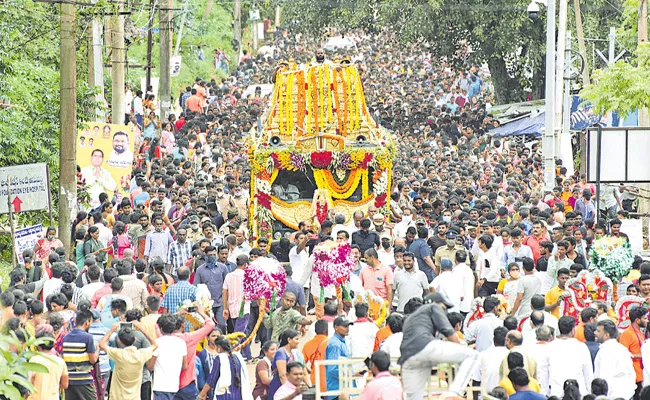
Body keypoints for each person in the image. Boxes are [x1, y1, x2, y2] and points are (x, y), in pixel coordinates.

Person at [399, 293, 479, 400]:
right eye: (444, 308)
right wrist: (462, 348)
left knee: (413, 398)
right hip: (424, 347)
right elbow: (449, 333)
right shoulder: (433, 307)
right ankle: (453, 393)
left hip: (407, 359)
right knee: (472, 355)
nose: (445, 311)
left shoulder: (411, 318)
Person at [99, 321, 158, 400]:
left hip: (117, 397)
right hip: (134, 397)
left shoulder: (118, 354)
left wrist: (111, 330)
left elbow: (102, 344)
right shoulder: (141, 355)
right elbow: (155, 344)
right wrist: (141, 329)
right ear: (134, 340)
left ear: (119, 341)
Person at [538, 316, 593, 397]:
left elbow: (543, 373)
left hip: (556, 393)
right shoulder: (581, 347)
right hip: (578, 393)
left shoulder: (549, 347)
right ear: (573, 330)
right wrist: (589, 393)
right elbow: (588, 373)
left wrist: (544, 393)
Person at [594, 319, 636, 399]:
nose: (595, 333)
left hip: (612, 396)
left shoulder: (606, 351)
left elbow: (605, 378)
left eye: (598, 331)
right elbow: (631, 374)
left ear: (606, 335)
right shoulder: (622, 348)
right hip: (626, 395)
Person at [148, 314, 188, 399]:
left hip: (160, 386)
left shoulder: (157, 343)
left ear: (161, 329)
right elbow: (185, 366)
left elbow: (150, 366)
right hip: (175, 386)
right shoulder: (181, 343)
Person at [62, 310, 99, 400]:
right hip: (84, 379)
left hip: (69, 379)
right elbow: (93, 360)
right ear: (87, 322)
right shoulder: (88, 337)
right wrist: (97, 350)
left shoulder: (66, 337)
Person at [28, 330, 69, 400]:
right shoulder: (60, 362)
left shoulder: (34, 360)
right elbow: (65, 385)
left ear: (38, 346)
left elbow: (28, 382)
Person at [619, 306, 647, 397]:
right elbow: (623, 354)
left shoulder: (640, 333)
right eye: (645, 318)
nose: (647, 320)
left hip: (642, 374)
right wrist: (643, 355)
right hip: (633, 376)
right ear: (638, 320)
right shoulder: (627, 334)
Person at [325, 317, 353, 395]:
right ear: (336, 327)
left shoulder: (341, 342)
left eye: (348, 326)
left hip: (342, 388)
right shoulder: (335, 344)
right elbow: (332, 369)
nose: (347, 329)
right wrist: (352, 375)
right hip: (337, 389)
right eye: (344, 326)